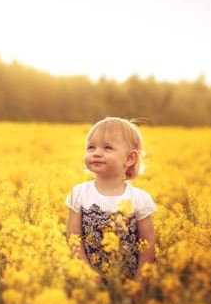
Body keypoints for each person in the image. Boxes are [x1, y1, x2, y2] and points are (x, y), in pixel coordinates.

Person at [65, 117, 156, 279]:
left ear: (130, 158)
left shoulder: (140, 199)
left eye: (107, 148)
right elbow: (73, 240)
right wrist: (87, 276)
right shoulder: (78, 194)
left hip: (127, 280)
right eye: (91, 147)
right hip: (87, 279)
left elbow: (147, 246)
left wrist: (140, 281)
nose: (97, 153)